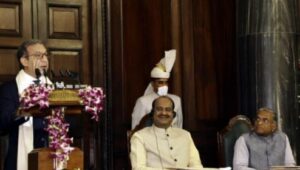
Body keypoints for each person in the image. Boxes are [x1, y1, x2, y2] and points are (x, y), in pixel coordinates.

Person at [0, 39, 51, 170]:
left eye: (45, 55)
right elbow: (2, 125)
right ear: (24, 61)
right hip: (19, 159)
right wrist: (24, 110)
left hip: (51, 156)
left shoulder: (53, 87)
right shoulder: (10, 89)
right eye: (38, 56)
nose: (44, 60)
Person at [130, 96, 203, 169]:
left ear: (173, 114)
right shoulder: (139, 136)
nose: (164, 113)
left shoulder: (185, 135)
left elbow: (197, 166)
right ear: (152, 113)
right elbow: (138, 168)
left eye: (168, 110)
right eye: (159, 109)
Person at [131, 49, 183, 129]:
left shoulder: (176, 100)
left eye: (166, 82)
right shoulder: (142, 101)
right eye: (160, 82)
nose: (164, 85)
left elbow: (179, 125)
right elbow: (136, 128)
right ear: (153, 84)